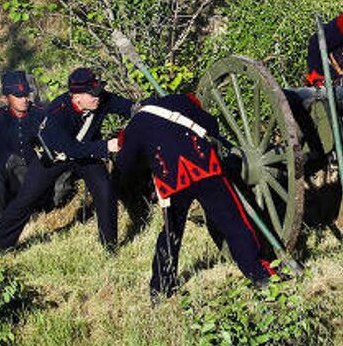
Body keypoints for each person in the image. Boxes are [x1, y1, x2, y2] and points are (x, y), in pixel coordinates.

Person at [115, 93, 276, 300]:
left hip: (172, 182)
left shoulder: (134, 126)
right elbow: (211, 125)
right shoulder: (178, 101)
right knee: (234, 223)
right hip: (205, 169)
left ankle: (160, 289)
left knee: (170, 235)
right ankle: (258, 274)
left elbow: (126, 165)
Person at [0, 67, 132, 252]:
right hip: (55, 156)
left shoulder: (102, 99)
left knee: (105, 191)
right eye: (92, 94)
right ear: (76, 96)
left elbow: (129, 107)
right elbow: (69, 148)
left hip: (88, 153)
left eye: (98, 91)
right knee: (26, 199)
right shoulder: (57, 111)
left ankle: (110, 247)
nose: (98, 97)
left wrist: (149, 109)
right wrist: (105, 147)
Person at [0, 71, 45, 225]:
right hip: (10, 178)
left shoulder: (39, 114)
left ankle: (32, 211)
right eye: (18, 96)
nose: (24, 99)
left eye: (26, 94)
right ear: (5, 98)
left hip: (34, 177)